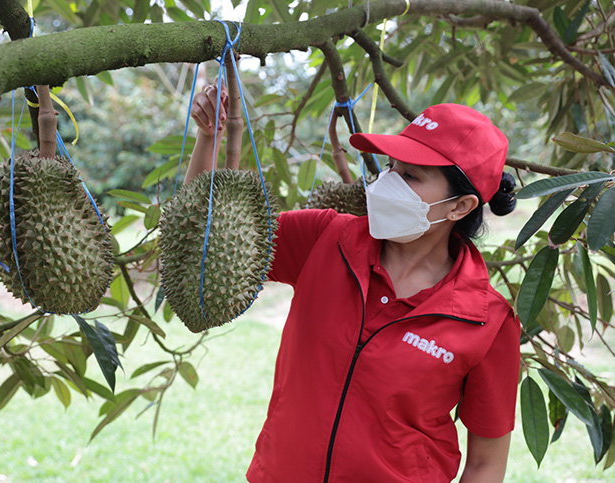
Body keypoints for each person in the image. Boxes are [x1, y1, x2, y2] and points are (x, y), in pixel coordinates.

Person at [185, 84, 520, 483]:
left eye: (410, 176)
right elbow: (201, 240)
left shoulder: (487, 321)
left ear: (460, 206)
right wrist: (208, 138)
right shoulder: (324, 237)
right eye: (392, 168)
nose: (389, 183)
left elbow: (486, 462)